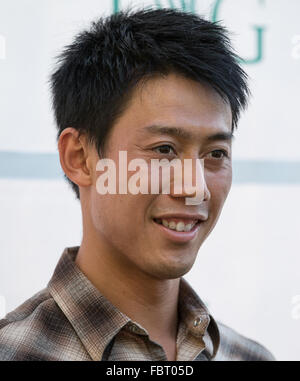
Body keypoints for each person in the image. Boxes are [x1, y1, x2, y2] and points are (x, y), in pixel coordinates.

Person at [0, 8, 275, 361]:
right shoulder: (15, 353)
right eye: (164, 150)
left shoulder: (248, 357)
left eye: (216, 154)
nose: (195, 188)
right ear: (80, 158)